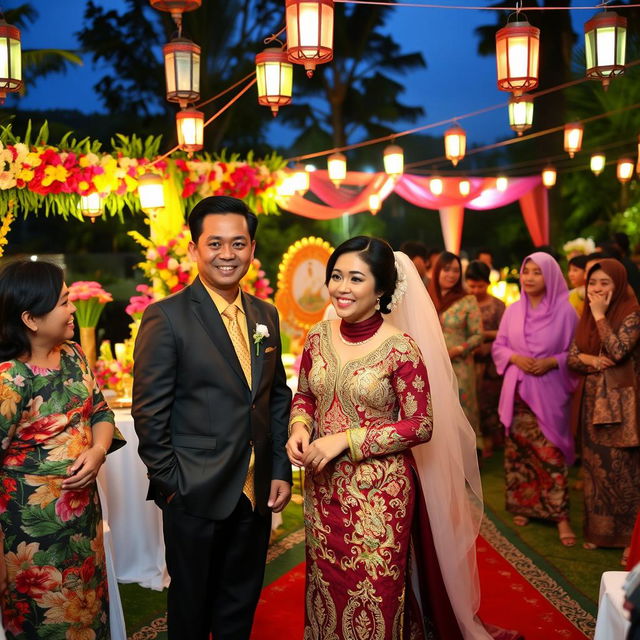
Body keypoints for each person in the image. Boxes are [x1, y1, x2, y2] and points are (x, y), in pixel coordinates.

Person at [286, 236, 506, 639]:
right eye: (336, 276)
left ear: (382, 289)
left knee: (374, 594)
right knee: (325, 588)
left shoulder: (400, 348)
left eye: (355, 278)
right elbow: (304, 395)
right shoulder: (318, 336)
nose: (342, 288)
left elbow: (421, 424)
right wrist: (299, 427)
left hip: (379, 497)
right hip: (322, 488)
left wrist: (345, 439)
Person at [132, 196, 292, 640]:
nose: (227, 254)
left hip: (255, 488)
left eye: (238, 244)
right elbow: (149, 411)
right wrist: (172, 486)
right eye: (215, 243)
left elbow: (275, 397)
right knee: (191, 605)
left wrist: (279, 468)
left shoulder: (265, 314)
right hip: (194, 490)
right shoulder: (166, 317)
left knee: (240, 601)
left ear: (252, 249)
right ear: (194, 250)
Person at [0, 260, 125, 639]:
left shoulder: (74, 354)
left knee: (89, 613)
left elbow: (101, 411)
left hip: (83, 522)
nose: (73, 310)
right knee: (47, 623)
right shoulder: (9, 377)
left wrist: (98, 450)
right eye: (64, 302)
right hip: (29, 537)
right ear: (31, 319)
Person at [492, 252, 578, 546]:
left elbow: (575, 353)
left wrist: (553, 362)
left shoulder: (566, 313)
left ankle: (560, 516)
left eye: (536, 272)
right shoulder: (513, 310)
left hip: (550, 392)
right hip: (516, 393)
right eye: (526, 271)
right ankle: (524, 505)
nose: (528, 277)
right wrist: (515, 357)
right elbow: (499, 347)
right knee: (520, 452)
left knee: (551, 453)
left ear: (551, 277)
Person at [568, 259, 640, 562]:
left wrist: (599, 316)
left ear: (618, 285)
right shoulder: (585, 317)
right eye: (592, 283)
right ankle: (598, 533)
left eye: (604, 283)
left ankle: (629, 540)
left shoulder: (632, 313)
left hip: (622, 406)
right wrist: (590, 360)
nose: (596, 290)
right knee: (596, 469)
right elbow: (572, 357)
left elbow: (618, 350)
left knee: (624, 470)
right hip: (591, 401)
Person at [428, 252, 483, 434]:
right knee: (435, 410)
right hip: (432, 365)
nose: (451, 275)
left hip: (459, 367)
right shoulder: (426, 298)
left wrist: (457, 350)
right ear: (437, 272)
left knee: (460, 410)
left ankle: (466, 457)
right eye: (446, 269)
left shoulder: (467, 300)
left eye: (456, 271)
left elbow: (478, 335)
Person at [466, 260, 506, 458]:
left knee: (489, 402)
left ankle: (491, 443)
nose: (475, 290)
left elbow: (505, 332)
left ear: (488, 284)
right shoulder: (463, 304)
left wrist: (483, 337)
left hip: (490, 362)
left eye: (480, 286)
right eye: (471, 285)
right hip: (468, 362)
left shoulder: (498, 306)